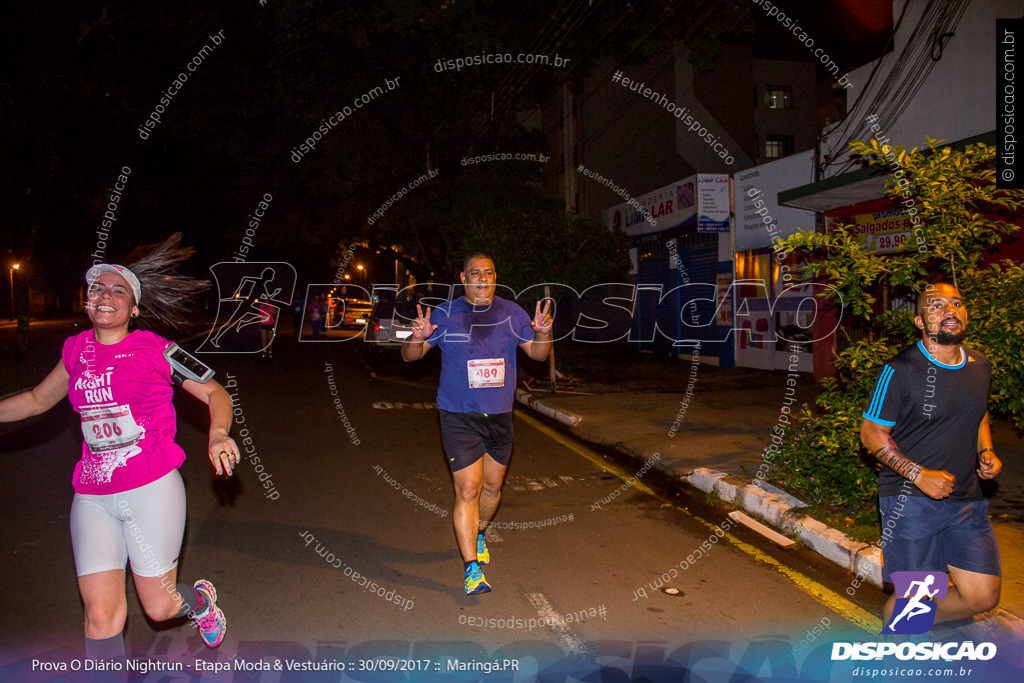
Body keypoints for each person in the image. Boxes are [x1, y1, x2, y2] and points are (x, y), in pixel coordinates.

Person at [0, 236, 238, 663]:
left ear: (133, 309)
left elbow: (216, 393)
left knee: (160, 608)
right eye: (96, 289)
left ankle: (199, 603)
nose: (104, 295)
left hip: (152, 489)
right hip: (92, 496)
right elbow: (37, 399)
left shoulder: (157, 349)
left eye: (117, 290)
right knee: (101, 618)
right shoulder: (75, 351)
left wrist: (218, 433)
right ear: (86, 302)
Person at [401, 253, 552, 594]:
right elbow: (410, 356)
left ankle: (479, 532)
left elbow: (538, 355)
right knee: (468, 488)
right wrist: (416, 337)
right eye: (475, 273)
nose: (483, 279)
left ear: (495, 277)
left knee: (492, 488)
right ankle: (472, 569)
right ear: (463, 277)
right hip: (458, 415)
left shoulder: (512, 312)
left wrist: (543, 333)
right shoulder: (445, 313)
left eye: (489, 273)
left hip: (499, 415)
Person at [861, 282, 1001, 627]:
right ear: (920, 322)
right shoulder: (901, 370)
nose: (949, 311)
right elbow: (871, 434)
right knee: (919, 596)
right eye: (936, 306)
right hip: (909, 500)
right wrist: (918, 475)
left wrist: (986, 450)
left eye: (956, 303)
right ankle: (905, 639)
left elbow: (978, 411)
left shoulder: (980, 366)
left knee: (982, 596)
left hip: (966, 499)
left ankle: (908, 623)